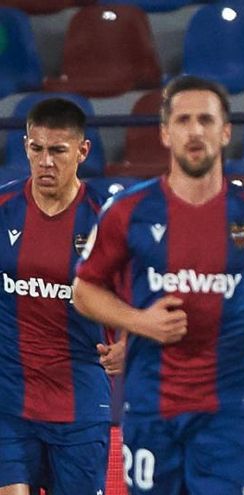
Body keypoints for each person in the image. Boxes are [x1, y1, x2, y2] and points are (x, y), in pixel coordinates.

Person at [71, 75, 244, 494]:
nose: (195, 130)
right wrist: (140, 322)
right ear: (166, 133)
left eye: (206, 119)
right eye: (183, 120)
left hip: (231, 409)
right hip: (151, 406)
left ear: (225, 132)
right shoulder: (129, 211)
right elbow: (84, 290)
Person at [0, 98, 111, 495]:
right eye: (36, 149)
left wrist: (129, 342)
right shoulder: (3, 208)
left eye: (58, 151)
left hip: (79, 404)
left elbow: (141, 296)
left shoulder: (107, 219)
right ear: (25, 146)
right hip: (8, 400)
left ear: (82, 151)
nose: (45, 162)